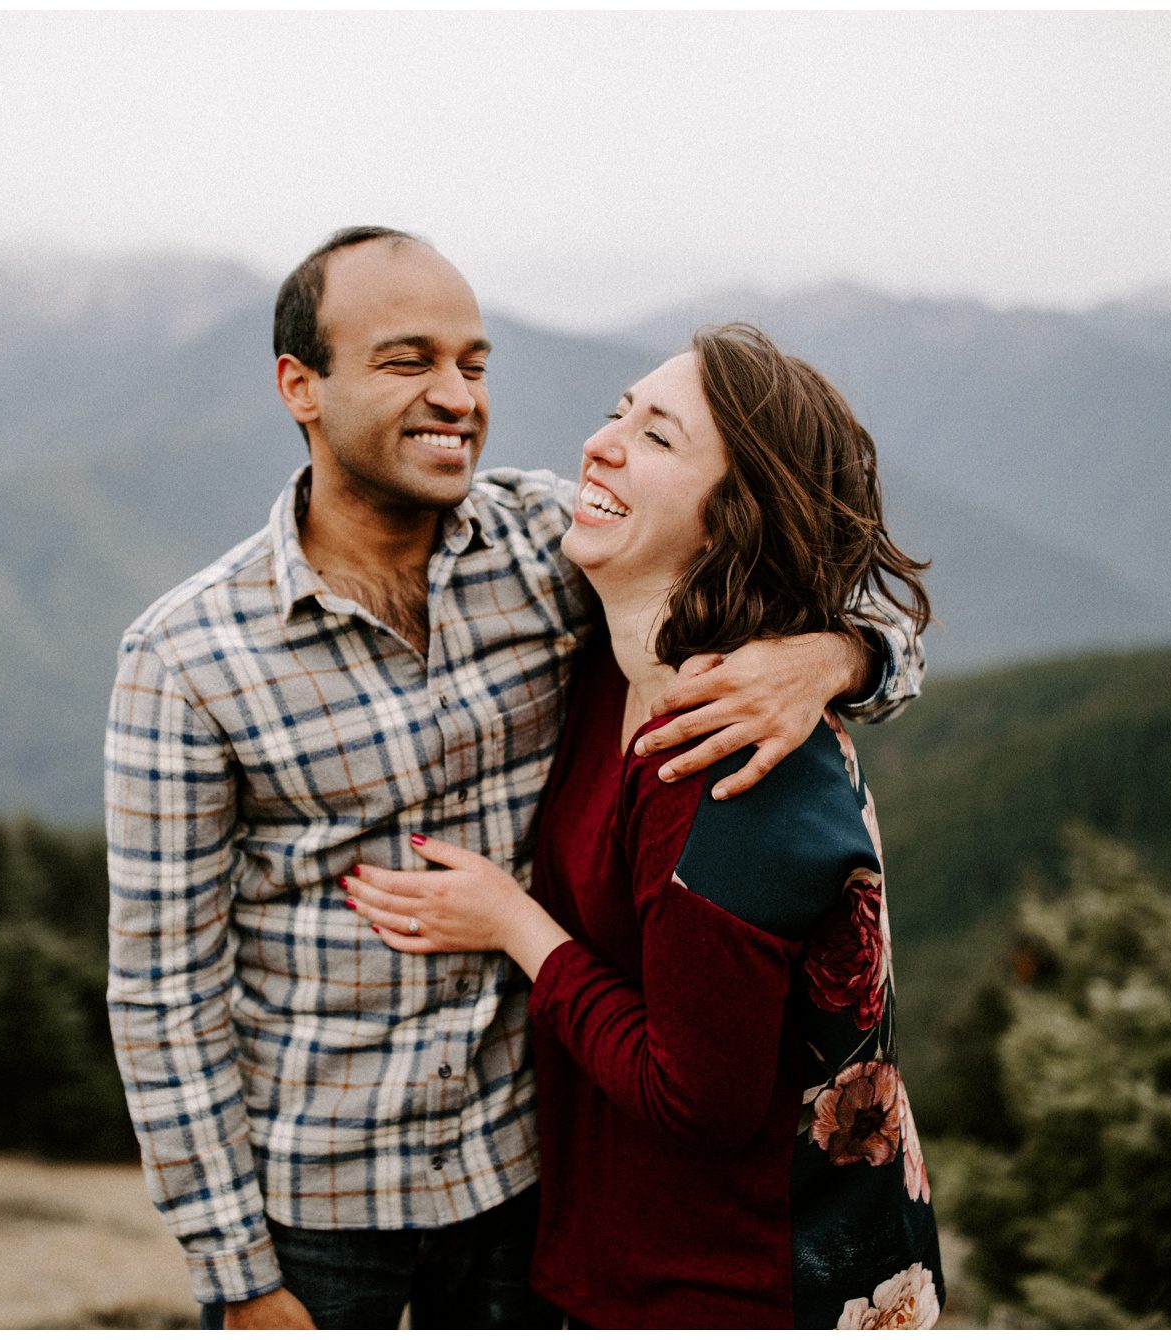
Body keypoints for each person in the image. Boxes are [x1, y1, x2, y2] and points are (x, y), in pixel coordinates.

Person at [105, 229, 925, 1329]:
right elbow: (163, 987)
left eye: (474, 363)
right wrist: (236, 1275)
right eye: (407, 360)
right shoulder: (184, 657)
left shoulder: (547, 549)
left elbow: (801, 558)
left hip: (522, 1184)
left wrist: (834, 653)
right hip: (321, 1199)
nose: (455, 395)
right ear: (299, 384)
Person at [347, 324, 943, 1327]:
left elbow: (693, 1102)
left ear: (729, 518)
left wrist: (512, 924)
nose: (600, 442)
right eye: (618, 409)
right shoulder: (603, 660)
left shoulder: (728, 765)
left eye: (656, 436)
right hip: (606, 1249)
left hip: (730, 1287)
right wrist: (844, 648)